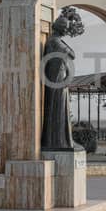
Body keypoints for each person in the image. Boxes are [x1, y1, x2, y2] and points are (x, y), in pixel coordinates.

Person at [41, 15, 76, 151]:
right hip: (57, 79)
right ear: (60, 28)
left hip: (58, 77)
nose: (67, 31)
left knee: (60, 109)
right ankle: (58, 141)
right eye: (66, 28)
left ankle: (60, 141)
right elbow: (72, 54)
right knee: (58, 109)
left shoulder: (56, 41)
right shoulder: (55, 41)